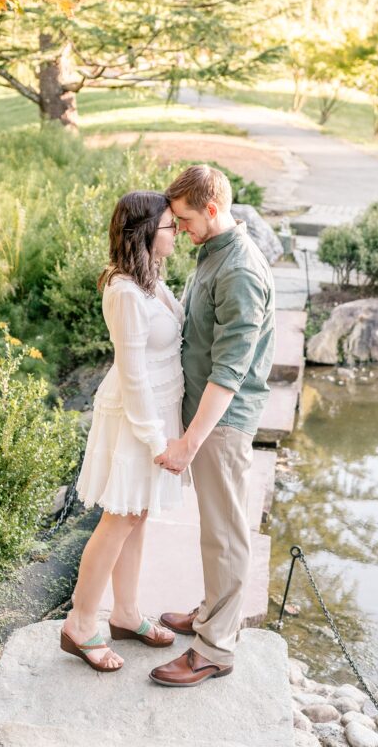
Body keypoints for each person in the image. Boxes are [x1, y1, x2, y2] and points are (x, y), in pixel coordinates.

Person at [149, 165, 275, 687]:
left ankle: (216, 648)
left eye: (183, 220)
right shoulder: (214, 252)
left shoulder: (240, 271)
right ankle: (210, 615)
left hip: (221, 422)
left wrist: (187, 442)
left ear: (213, 210)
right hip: (206, 412)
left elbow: (230, 370)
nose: (178, 230)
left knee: (225, 535)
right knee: (214, 530)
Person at [60, 191, 187, 672]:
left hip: (157, 410)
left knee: (138, 514)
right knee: (118, 519)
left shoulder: (150, 279)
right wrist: (157, 440)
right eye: (170, 225)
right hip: (136, 417)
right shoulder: (123, 291)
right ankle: (81, 620)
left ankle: (127, 612)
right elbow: (132, 374)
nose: (176, 233)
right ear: (146, 230)